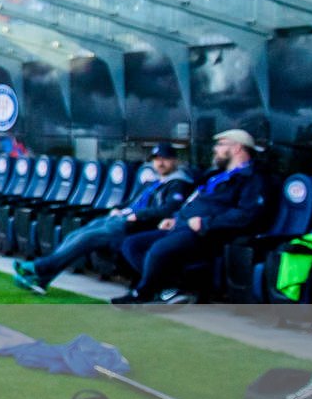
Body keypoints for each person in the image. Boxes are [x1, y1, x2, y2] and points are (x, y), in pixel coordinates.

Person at [113, 129, 268, 304]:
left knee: (159, 249)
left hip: (209, 233)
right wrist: (175, 218)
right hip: (183, 225)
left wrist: (206, 222)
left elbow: (246, 215)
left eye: (220, 144)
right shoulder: (215, 175)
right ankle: (168, 289)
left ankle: (142, 295)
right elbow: (193, 202)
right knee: (131, 245)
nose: (215, 149)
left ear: (238, 148)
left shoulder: (252, 179)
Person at [12, 144, 193, 292]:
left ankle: (40, 268)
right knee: (76, 235)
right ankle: (42, 279)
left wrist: (136, 215)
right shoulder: (152, 182)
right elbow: (130, 202)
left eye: (165, 159)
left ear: (174, 160)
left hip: (136, 226)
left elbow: (170, 208)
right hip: (120, 219)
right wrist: (118, 209)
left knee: (86, 238)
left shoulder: (178, 183)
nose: (160, 163)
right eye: (156, 159)